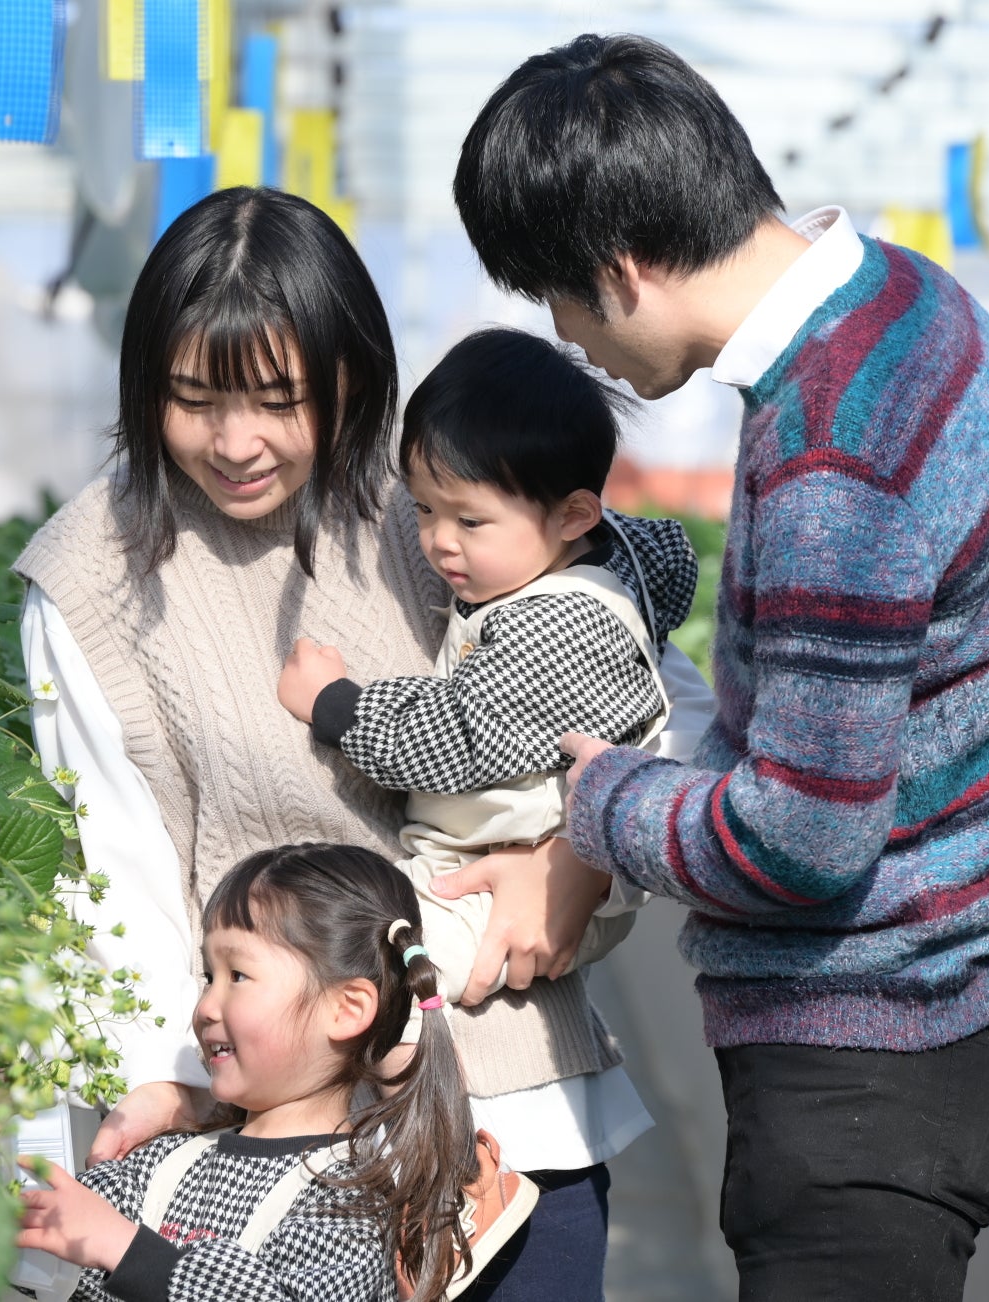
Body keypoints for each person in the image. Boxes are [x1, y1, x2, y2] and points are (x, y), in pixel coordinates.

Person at [448, 34, 989, 1301]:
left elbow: (802, 839)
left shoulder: (833, 457)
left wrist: (600, 801)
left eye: (557, 300)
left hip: (883, 1042)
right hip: (976, 964)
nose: (569, 341)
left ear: (621, 269)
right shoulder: (901, 302)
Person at [15, 186, 716, 1300]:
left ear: (351, 378)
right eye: (193, 399)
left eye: (279, 401)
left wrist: (579, 860)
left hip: (507, 1113)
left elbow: (657, 704)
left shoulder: (440, 492)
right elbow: (116, 876)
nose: (236, 443)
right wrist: (175, 1086)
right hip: (270, 1171)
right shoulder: (90, 578)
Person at [275, 327, 700, 1004]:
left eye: (470, 521)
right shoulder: (582, 555)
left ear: (573, 516)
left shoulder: (562, 627)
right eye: (423, 508)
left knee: (374, 976)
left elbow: (458, 737)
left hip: (520, 876)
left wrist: (336, 704)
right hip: (493, 853)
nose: (438, 541)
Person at [15, 844, 501, 1302]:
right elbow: (60, 1254)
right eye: (209, 976)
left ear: (347, 1009)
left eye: (238, 976)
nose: (206, 1006)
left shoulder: (350, 1202)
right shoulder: (163, 1160)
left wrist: (127, 1252)